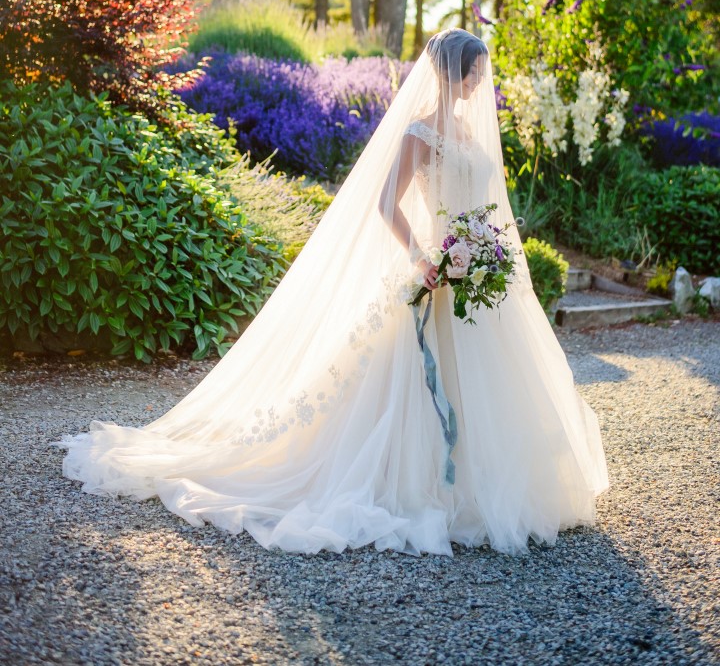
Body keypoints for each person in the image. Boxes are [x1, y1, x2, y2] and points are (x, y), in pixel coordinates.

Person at [58, 28, 609, 557]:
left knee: (494, 382)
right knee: (401, 382)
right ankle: (419, 481)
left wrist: (487, 251)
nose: (479, 82)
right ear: (451, 73)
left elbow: (484, 206)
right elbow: (386, 204)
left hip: (478, 271)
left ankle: (488, 483)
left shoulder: (470, 131)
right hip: (435, 267)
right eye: (474, 72)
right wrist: (422, 255)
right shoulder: (421, 131)